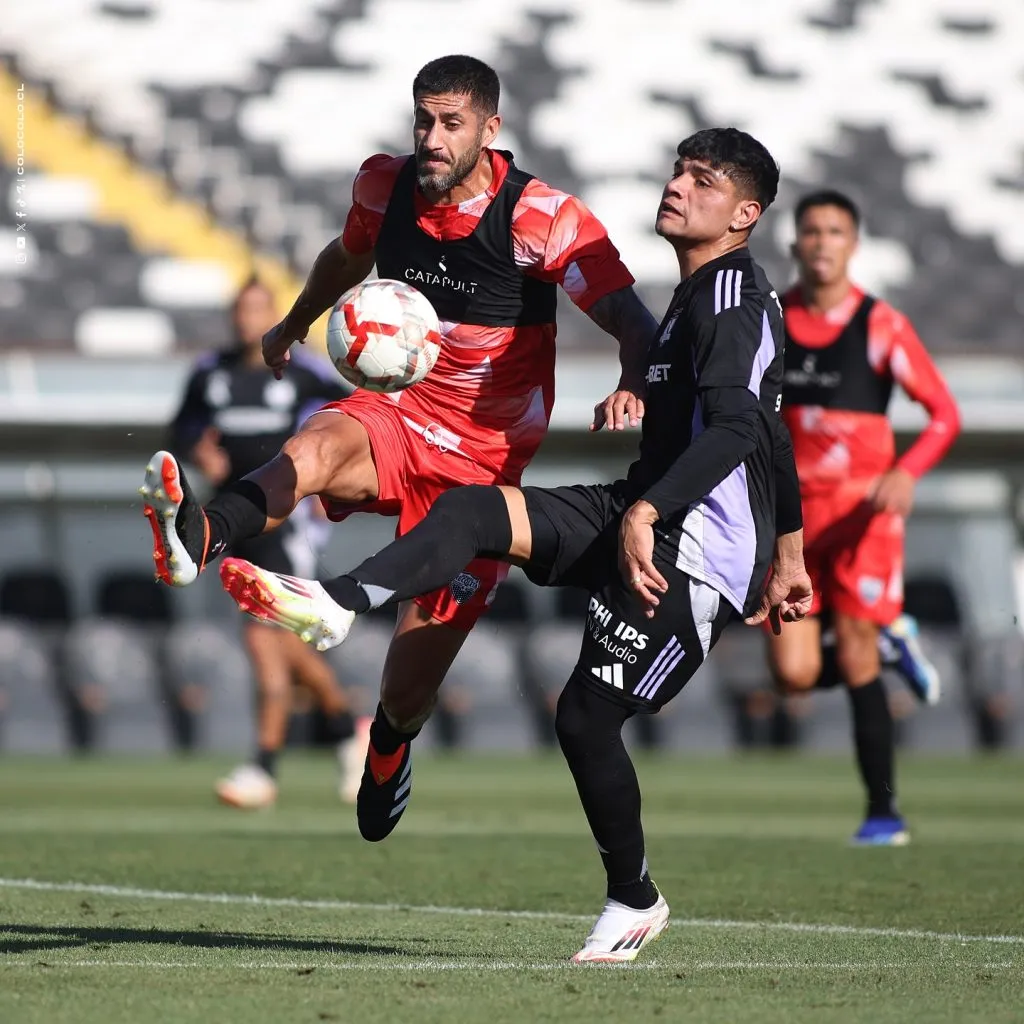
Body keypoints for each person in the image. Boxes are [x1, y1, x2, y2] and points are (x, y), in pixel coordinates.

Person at [218, 127, 814, 963]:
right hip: (641, 511)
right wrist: (790, 551)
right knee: (473, 513)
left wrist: (674, 524)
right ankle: (341, 600)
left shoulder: (731, 302)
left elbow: (745, 428)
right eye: (678, 169)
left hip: (694, 553)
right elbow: (774, 426)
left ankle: (635, 899)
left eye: (703, 180)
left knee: (584, 716)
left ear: (745, 214)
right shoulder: (696, 293)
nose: (678, 185)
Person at [139, 56, 656, 829]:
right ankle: (200, 533)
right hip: (400, 416)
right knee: (314, 444)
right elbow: (346, 257)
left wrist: (635, 379)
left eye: (451, 123)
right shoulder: (384, 187)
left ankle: (388, 745)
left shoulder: (540, 218)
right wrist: (291, 325)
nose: (432, 137)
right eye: (423, 119)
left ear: (491, 128)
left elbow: (628, 314)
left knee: (408, 681)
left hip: (481, 473)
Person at [767, 189, 961, 845]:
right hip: (794, 521)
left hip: (864, 519)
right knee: (792, 672)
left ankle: (884, 814)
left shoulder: (880, 325)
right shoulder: (773, 320)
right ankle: (890, 639)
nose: (822, 242)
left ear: (854, 244)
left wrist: (905, 472)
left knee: (853, 655)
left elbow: (944, 415)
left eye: (835, 231)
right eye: (812, 231)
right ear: (795, 245)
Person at [164, 278, 368, 808]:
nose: (247, 318)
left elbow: (357, 416)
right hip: (232, 521)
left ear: (273, 314)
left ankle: (264, 767)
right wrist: (198, 451)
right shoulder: (211, 373)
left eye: (258, 308)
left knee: (263, 637)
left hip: (286, 522)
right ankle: (350, 732)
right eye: (240, 308)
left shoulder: (303, 373)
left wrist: (328, 477)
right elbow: (181, 428)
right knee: (283, 642)